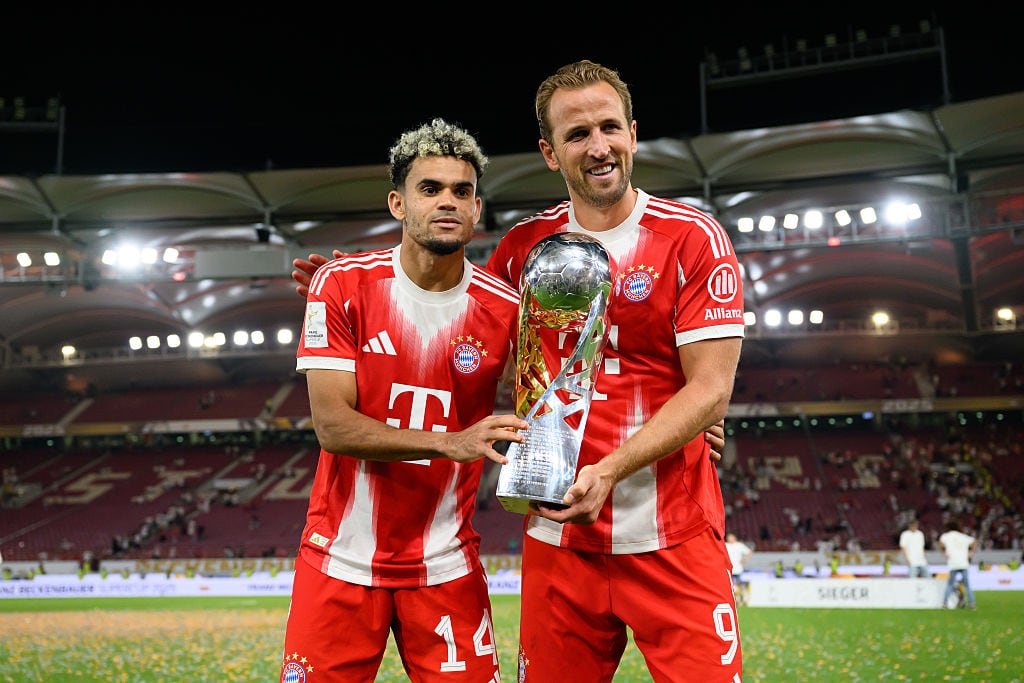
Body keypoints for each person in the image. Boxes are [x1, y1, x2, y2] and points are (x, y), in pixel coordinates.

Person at [291, 60, 742, 681]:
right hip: (559, 539)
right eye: (576, 135)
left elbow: (712, 387)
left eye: (610, 127)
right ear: (550, 153)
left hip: (673, 533)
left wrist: (660, 441)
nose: (598, 145)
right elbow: (454, 308)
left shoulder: (694, 238)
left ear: (633, 134)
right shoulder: (521, 251)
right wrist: (357, 292)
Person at [280, 117, 529, 683]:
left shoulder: (506, 308)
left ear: (477, 208)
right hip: (338, 561)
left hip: (446, 565)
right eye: (430, 188)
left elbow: (555, 403)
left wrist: (686, 416)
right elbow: (334, 427)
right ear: (397, 203)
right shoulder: (343, 285)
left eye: (462, 191)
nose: (448, 202)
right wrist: (452, 442)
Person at [938, 520, 977, 609]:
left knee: (950, 584)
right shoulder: (962, 536)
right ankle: (972, 604)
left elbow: (940, 543)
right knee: (967, 585)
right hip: (963, 563)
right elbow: (974, 541)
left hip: (953, 563)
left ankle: (945, 603)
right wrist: (971, 552)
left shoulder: (945, 536)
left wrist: (944, 552)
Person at [725, 532, 754, 605]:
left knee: (739, 586)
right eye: (728, 537)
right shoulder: (725, 545)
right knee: (728, 586)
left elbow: (749, 552)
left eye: (731, 537)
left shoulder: (739, 545)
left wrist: (744, 560)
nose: (729, 538)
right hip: (728, 570)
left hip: (738, 569)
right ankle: (730, 600)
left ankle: (740, 600)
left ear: (734, 538)